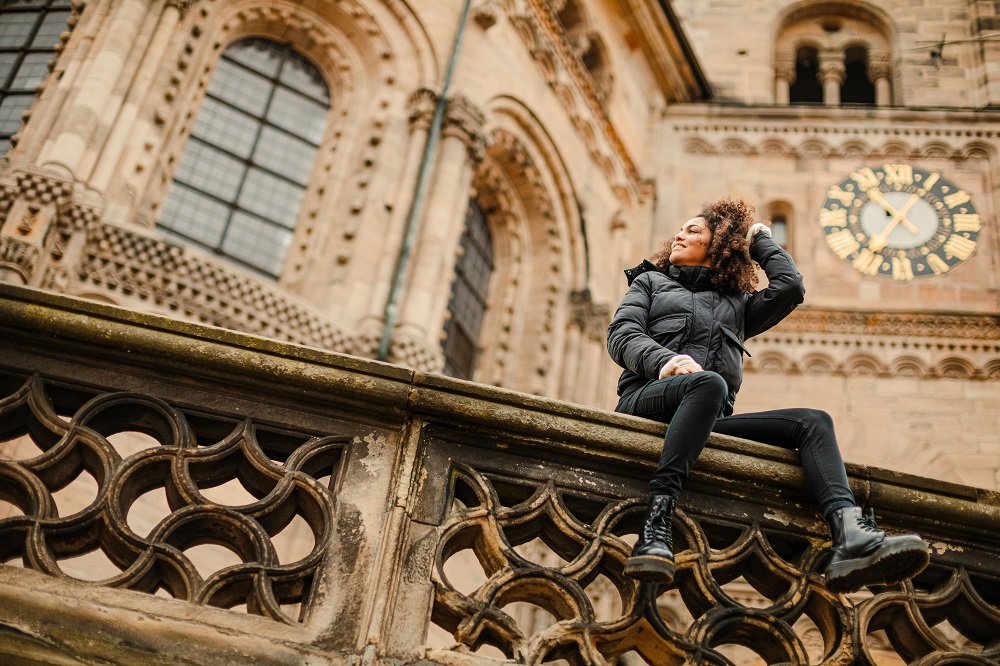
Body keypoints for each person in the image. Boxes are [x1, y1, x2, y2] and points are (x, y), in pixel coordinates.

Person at [606, 196, 929, 593]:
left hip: (708, 417)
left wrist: (759, 240)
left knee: (813, 423)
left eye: (693, 231)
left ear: (719, 244)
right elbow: (622, 335)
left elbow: (790, 288)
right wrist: (664, 362)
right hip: (648, 401)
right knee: (709, 383)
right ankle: (657, 524)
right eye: (679, 229)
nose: (679, 234)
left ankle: (850, 535)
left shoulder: (737, 306)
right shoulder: (650, 282)